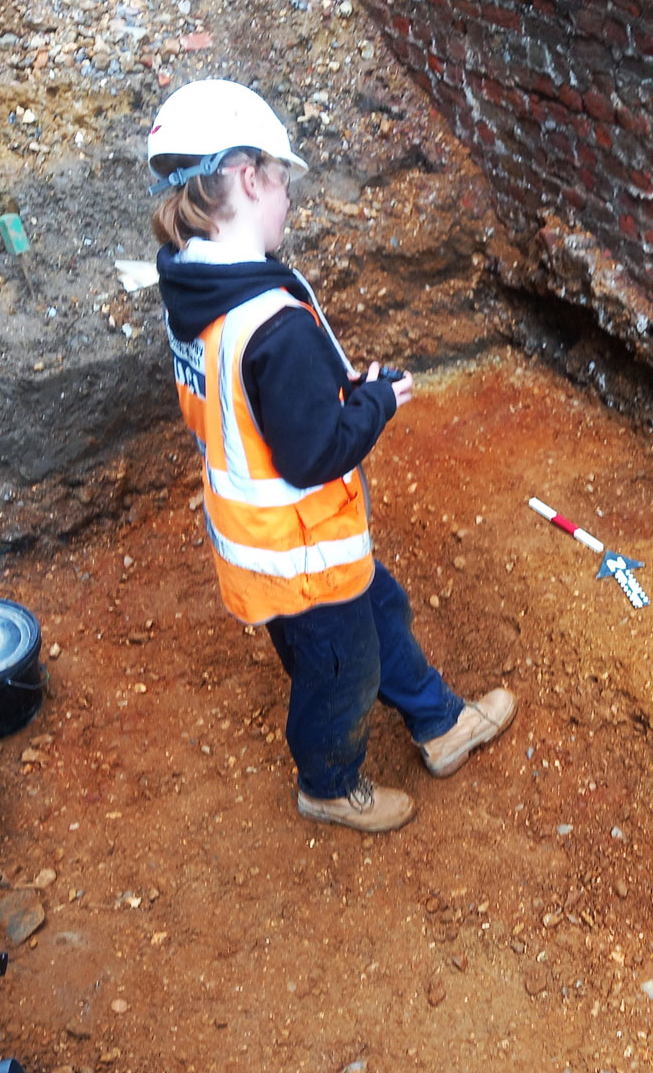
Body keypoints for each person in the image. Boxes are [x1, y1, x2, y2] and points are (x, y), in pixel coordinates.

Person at [147, 78, 514, 832]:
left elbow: (245, 401)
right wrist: (373, 403)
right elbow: (315, 454)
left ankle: (440, 722)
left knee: (381, 608)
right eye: (282, 179)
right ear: (249, 178)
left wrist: (327, 389)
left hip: (281, 543)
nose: (287, 197)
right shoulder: (270, 323)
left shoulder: (195, 285)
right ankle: (328, 782)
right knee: (341, 672)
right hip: (300, 551)